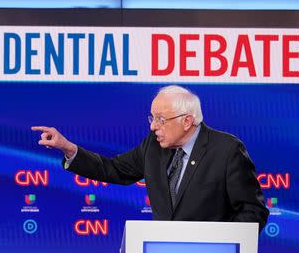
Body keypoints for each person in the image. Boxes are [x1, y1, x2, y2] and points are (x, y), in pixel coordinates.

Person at [31, 85, 268, 230]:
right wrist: (69, 149)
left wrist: (223, 244)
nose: (154, 126)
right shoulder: (153, 147)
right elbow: (114, 169)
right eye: (152, 118)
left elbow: (253, 211)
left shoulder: (226, 150)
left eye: (161, 119)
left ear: (187, 121)